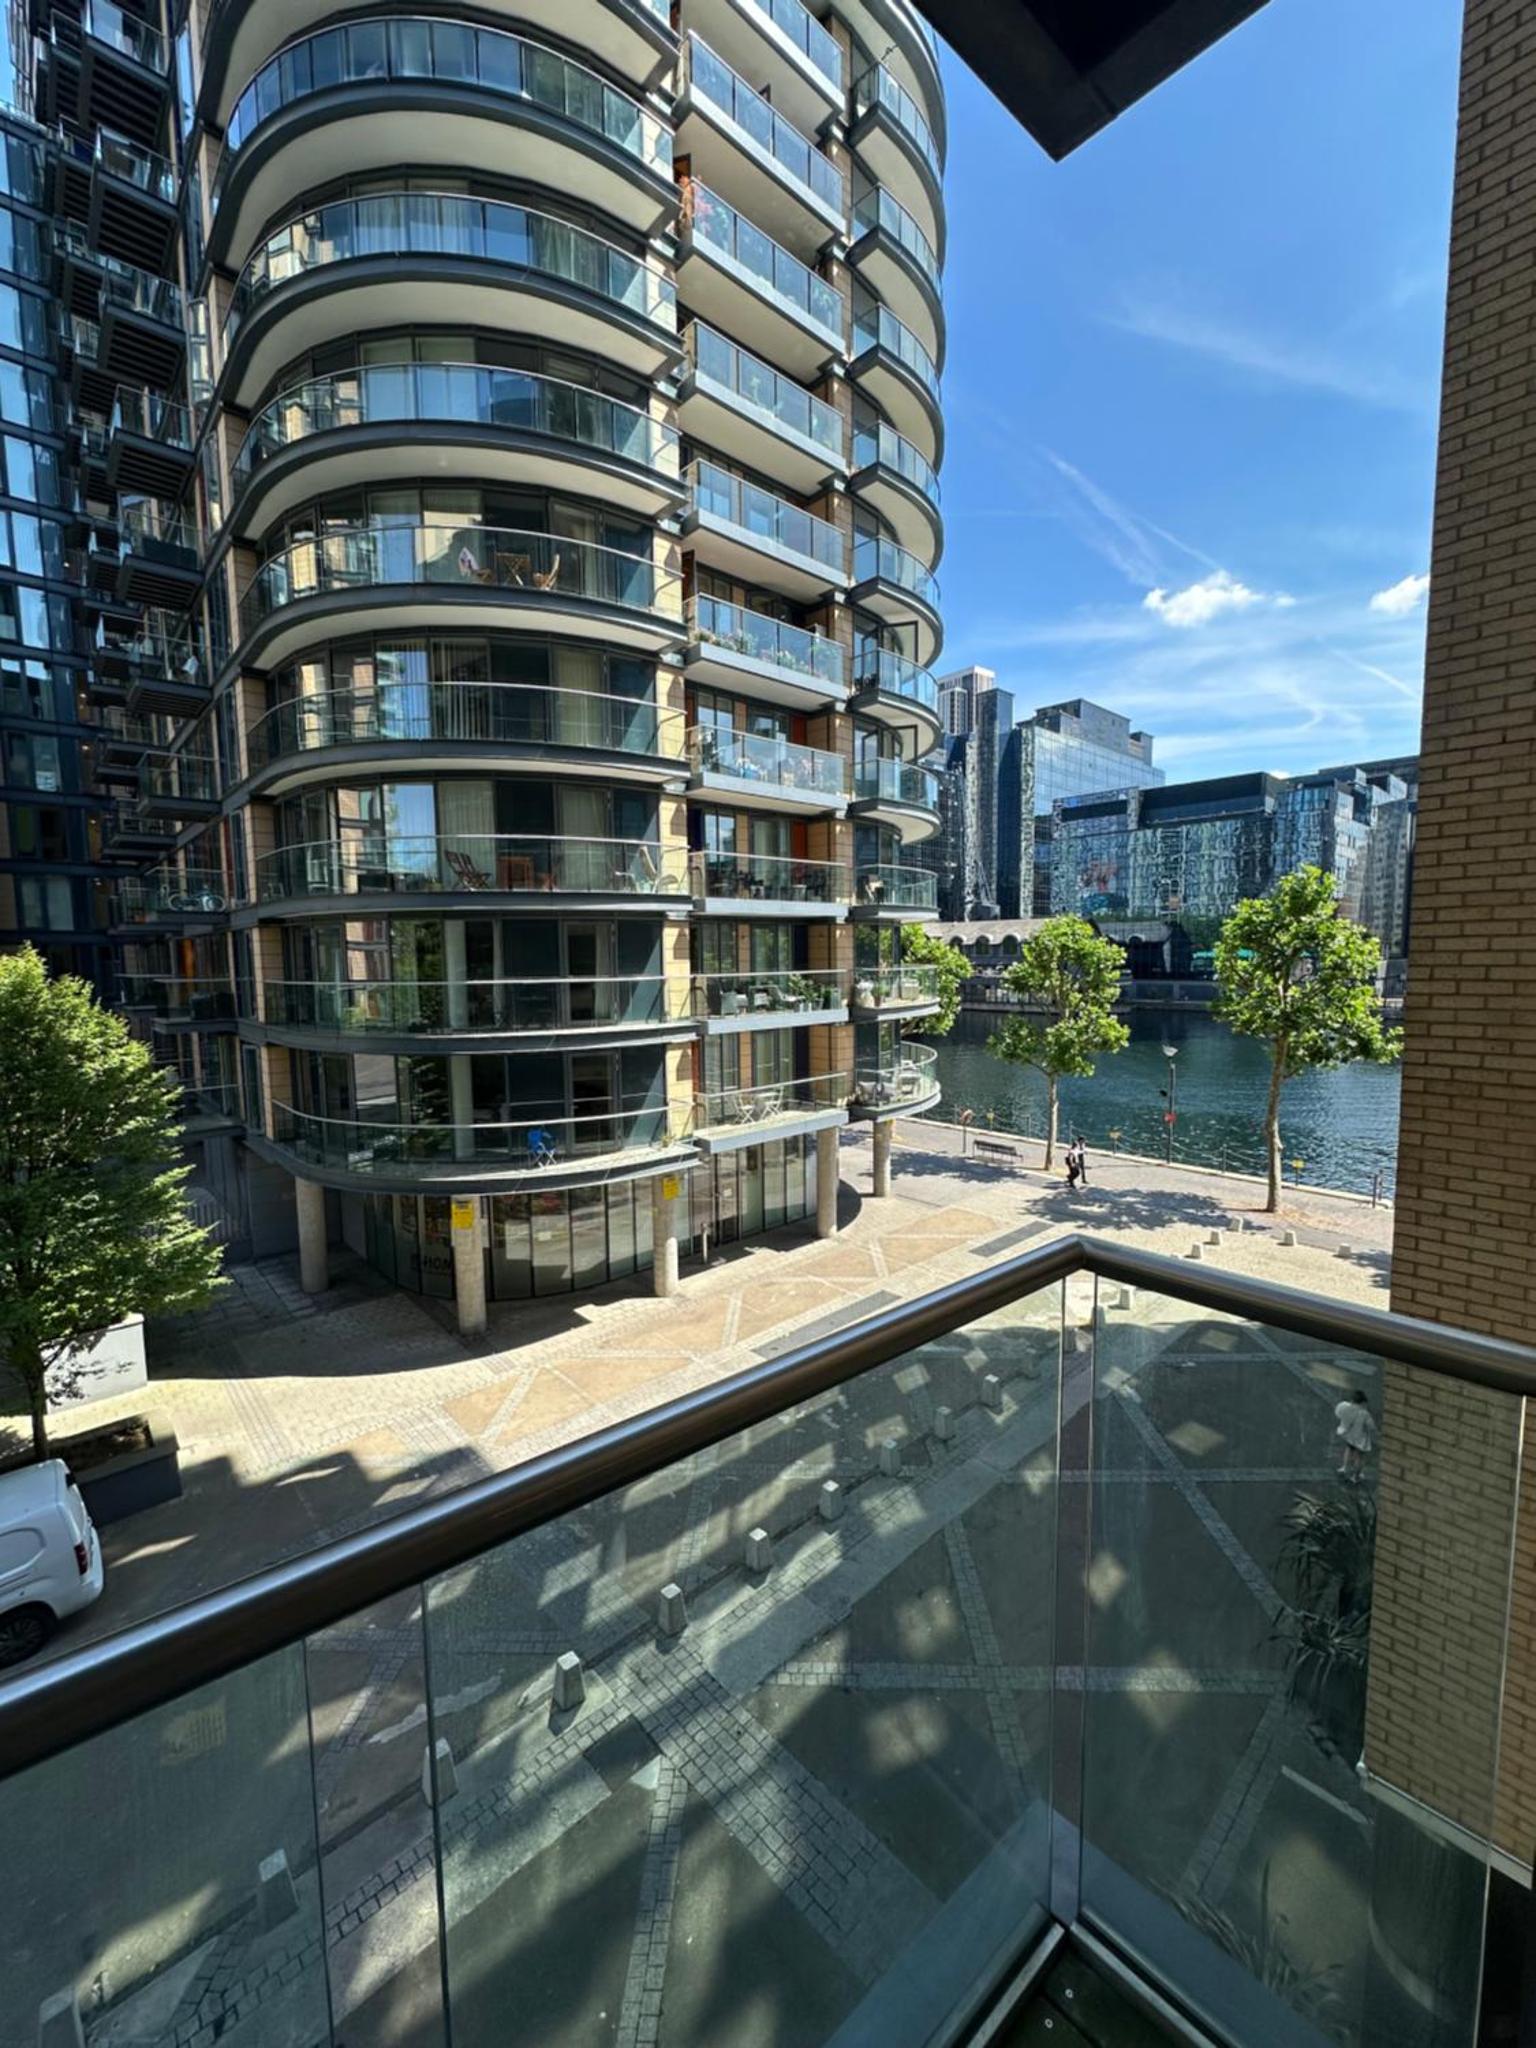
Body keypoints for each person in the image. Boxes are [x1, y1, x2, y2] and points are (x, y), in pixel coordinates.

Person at [1334, 1389, 1376, 1482]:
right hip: (1361, 1439)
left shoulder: (1348, 1409)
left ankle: (1344, 1467)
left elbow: (1340, 1415)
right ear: (1363, 1403)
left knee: (1348, 1450)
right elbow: (1371, 1426)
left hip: (1350, 1437)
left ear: (1352, 1401)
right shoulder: (1365, 1414)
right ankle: (1355, 1476)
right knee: (1359, 1457)